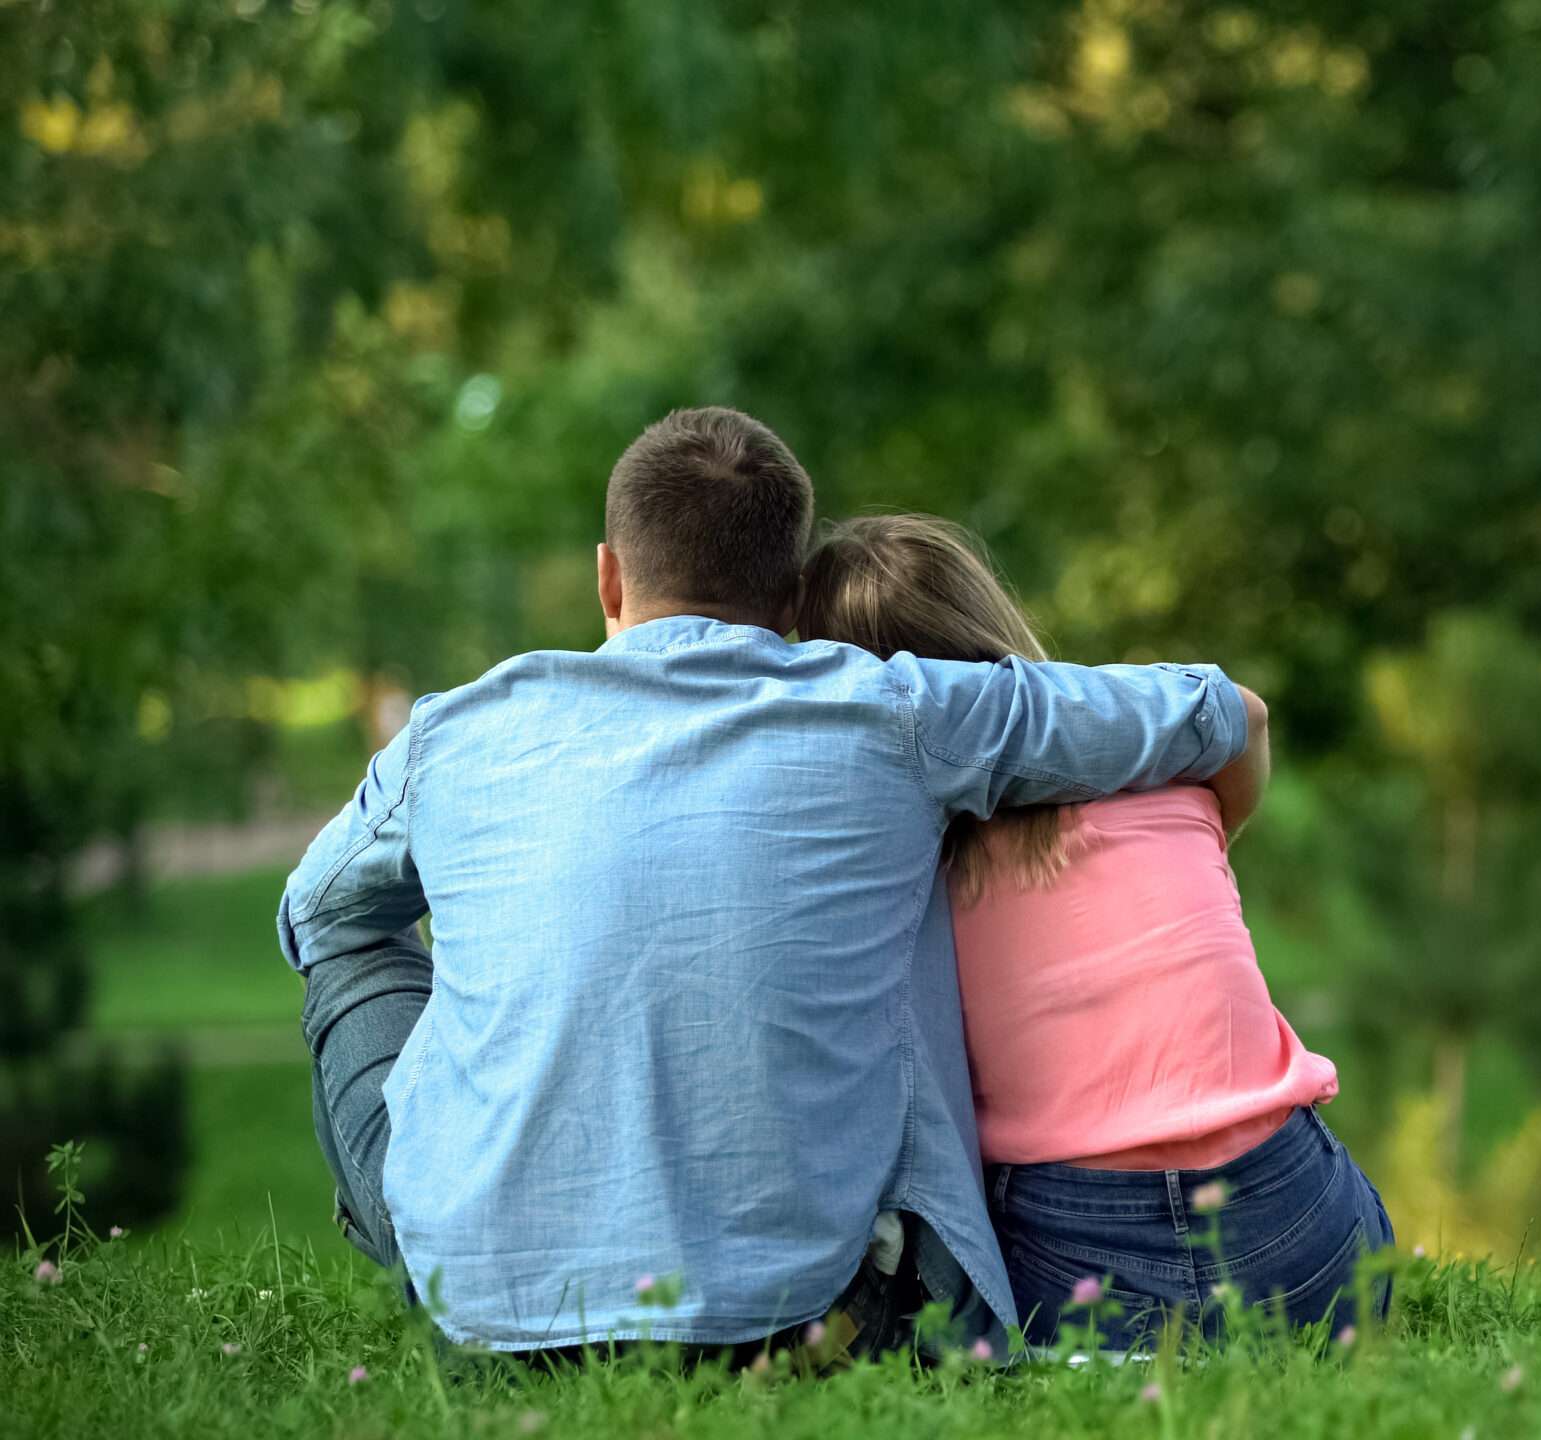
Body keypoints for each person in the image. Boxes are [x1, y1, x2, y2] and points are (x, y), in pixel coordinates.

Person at [281, 408, 1267, 1363]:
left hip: (485, 1320)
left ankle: (480, 1230)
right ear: (794, 599)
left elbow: (315, 915)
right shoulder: (895, 712)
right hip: (816, 1318)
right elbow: (1212, 711)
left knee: (348, 949)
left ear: (609, 576)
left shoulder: (457, 733)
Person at [798, 513, 1391, 1350]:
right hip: (1299, 1234)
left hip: (1078, 1244)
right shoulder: (1176, 781)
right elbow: (1242, 739)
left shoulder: (909, 873)